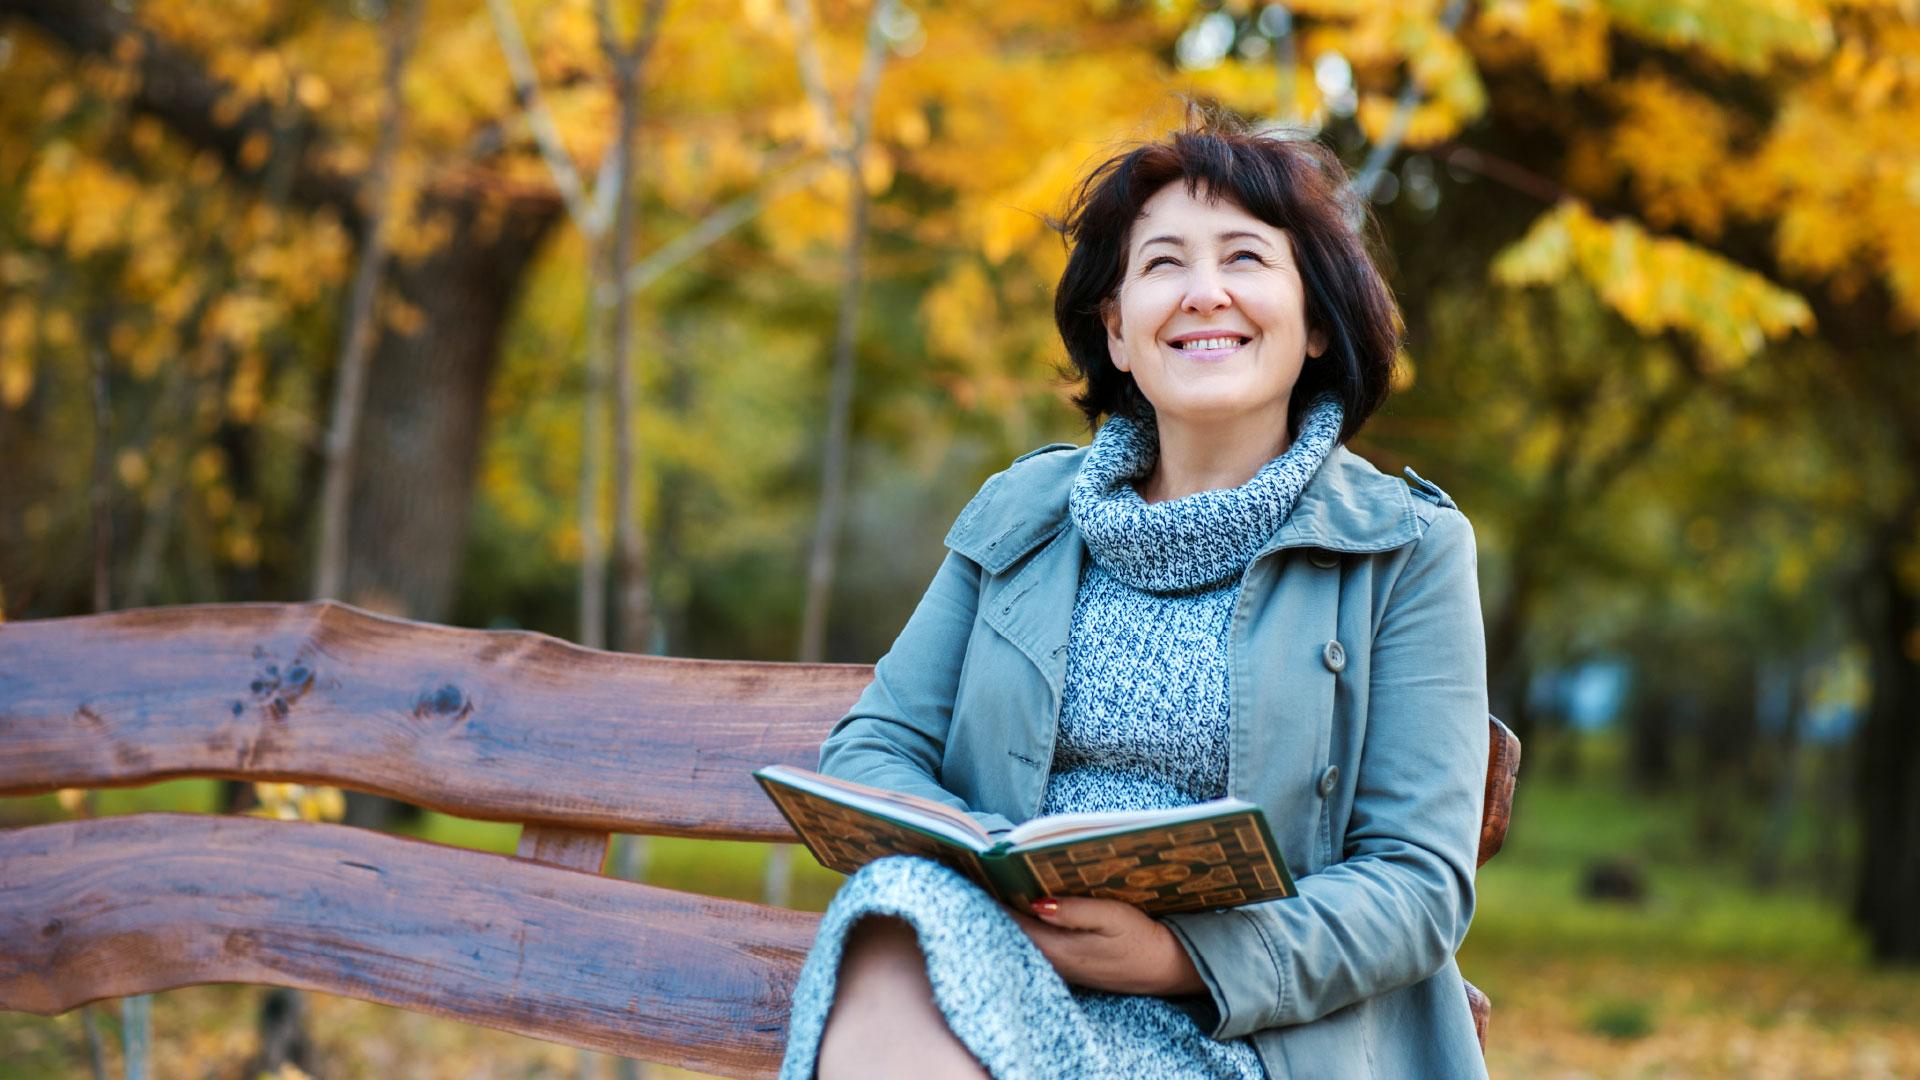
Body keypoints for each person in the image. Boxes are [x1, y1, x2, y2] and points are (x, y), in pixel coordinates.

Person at [778, 114, 1491, 1080]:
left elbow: (1414, 884)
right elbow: (876, 746)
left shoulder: (1405, 549)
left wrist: (1178, 958)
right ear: (1117, 330)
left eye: (1245, 257)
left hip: (1246, 1034)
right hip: (995, 959)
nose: (1205, 294)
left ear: (1316, 322)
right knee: (899, 905)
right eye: (1163, 265)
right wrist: (997, 879)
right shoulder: (1020, 514)